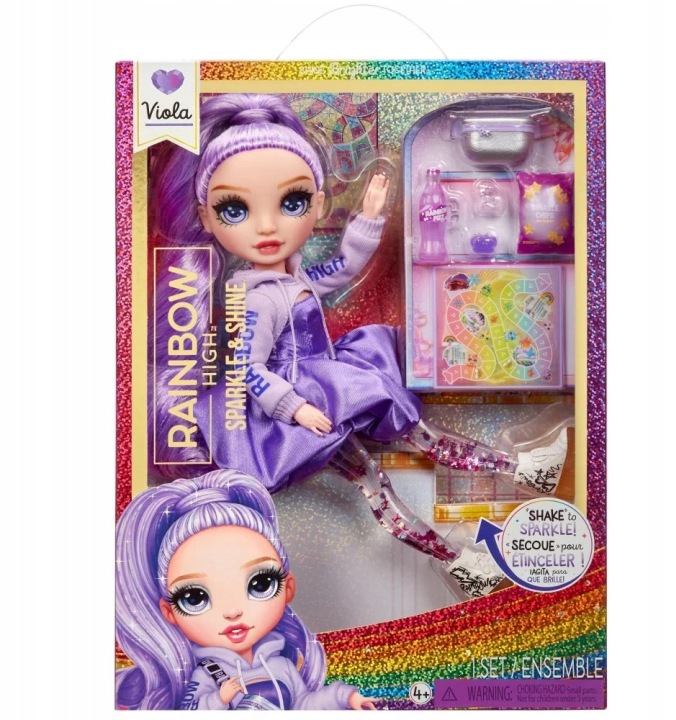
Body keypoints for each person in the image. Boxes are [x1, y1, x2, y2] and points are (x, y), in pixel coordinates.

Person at [150, 93, 570, 571]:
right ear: (205, 216)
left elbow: (343, 267)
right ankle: (482, 526)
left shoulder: (291, 279)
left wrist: (369, 216)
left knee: (398, 457)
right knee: (384, 473)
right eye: (234, 209)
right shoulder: (257, 299)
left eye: (292, 201)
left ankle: (502, 499)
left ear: (318, 201)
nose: (266, 226)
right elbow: (248, 369)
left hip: (329, 385)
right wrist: (295, 408)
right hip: (301, 411)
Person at [116, 470, 375, 710]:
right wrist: (218, 699)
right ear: (169, 612)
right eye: (194, 598)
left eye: (260, 584)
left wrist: (343, 697)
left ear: (287, 588)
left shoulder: (282, 665)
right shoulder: (208, 673)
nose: (232, 611)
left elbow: (304, 705)